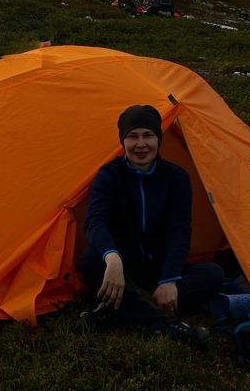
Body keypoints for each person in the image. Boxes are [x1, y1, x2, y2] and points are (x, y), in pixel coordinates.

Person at [79, 104, 224, 346]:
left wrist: (168, 279)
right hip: (124, 268)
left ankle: (118, 308)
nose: (141, 144)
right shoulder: (109, 175)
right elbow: (95, 220)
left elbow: (180, 231)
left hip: (159, 267)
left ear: (159, 138)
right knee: (91, 259)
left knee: (213, 275)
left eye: (148, 135)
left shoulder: (176, 178)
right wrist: (112, 257)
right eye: (132, 136)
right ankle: (167, 325)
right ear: (123, 141)